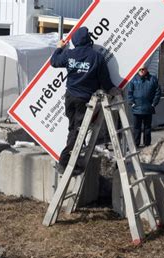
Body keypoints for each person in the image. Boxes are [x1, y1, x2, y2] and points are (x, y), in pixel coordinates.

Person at [50, 26, 116, 174]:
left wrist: (59, 48)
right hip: (83, 100)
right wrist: (112, 90)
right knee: (78, 131)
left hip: (70, 97)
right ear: (88, 40)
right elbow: (105, 80)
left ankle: (73, 162)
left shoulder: (69, 54)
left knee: (73, 128)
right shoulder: (96, 57)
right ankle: (64, 161)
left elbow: (54, 62)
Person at [127, 66, 161, 147]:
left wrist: (153, 103)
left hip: (148, 108)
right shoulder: (134, 80)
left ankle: (147, 144)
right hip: (136, 108)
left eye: (143, 69)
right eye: (140, 69)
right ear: (138, 70)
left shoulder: (152, 79)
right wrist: (132, 103)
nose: (142, 71)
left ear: (146, 69)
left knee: (147, 128)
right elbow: (130, 93)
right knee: (136, 128)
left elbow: (158, 92)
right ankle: (136, 144)